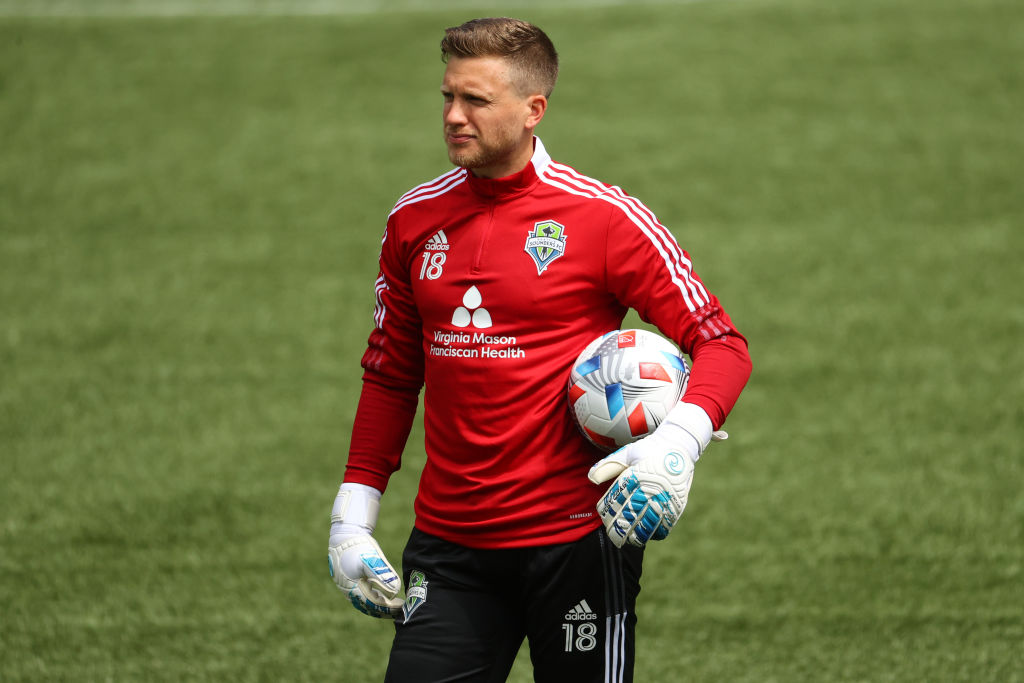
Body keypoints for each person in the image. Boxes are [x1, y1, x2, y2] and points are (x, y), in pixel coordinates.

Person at [327, 17, 752, 683]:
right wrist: (351, 518)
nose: (454, 116)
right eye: (448, 97)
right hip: (449, 546)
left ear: (534, 110)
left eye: (476, 100)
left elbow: (721, 344)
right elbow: (391, 373)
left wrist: (678, 444)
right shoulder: (413, 219)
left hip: (579, 542)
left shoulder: (606, 219)